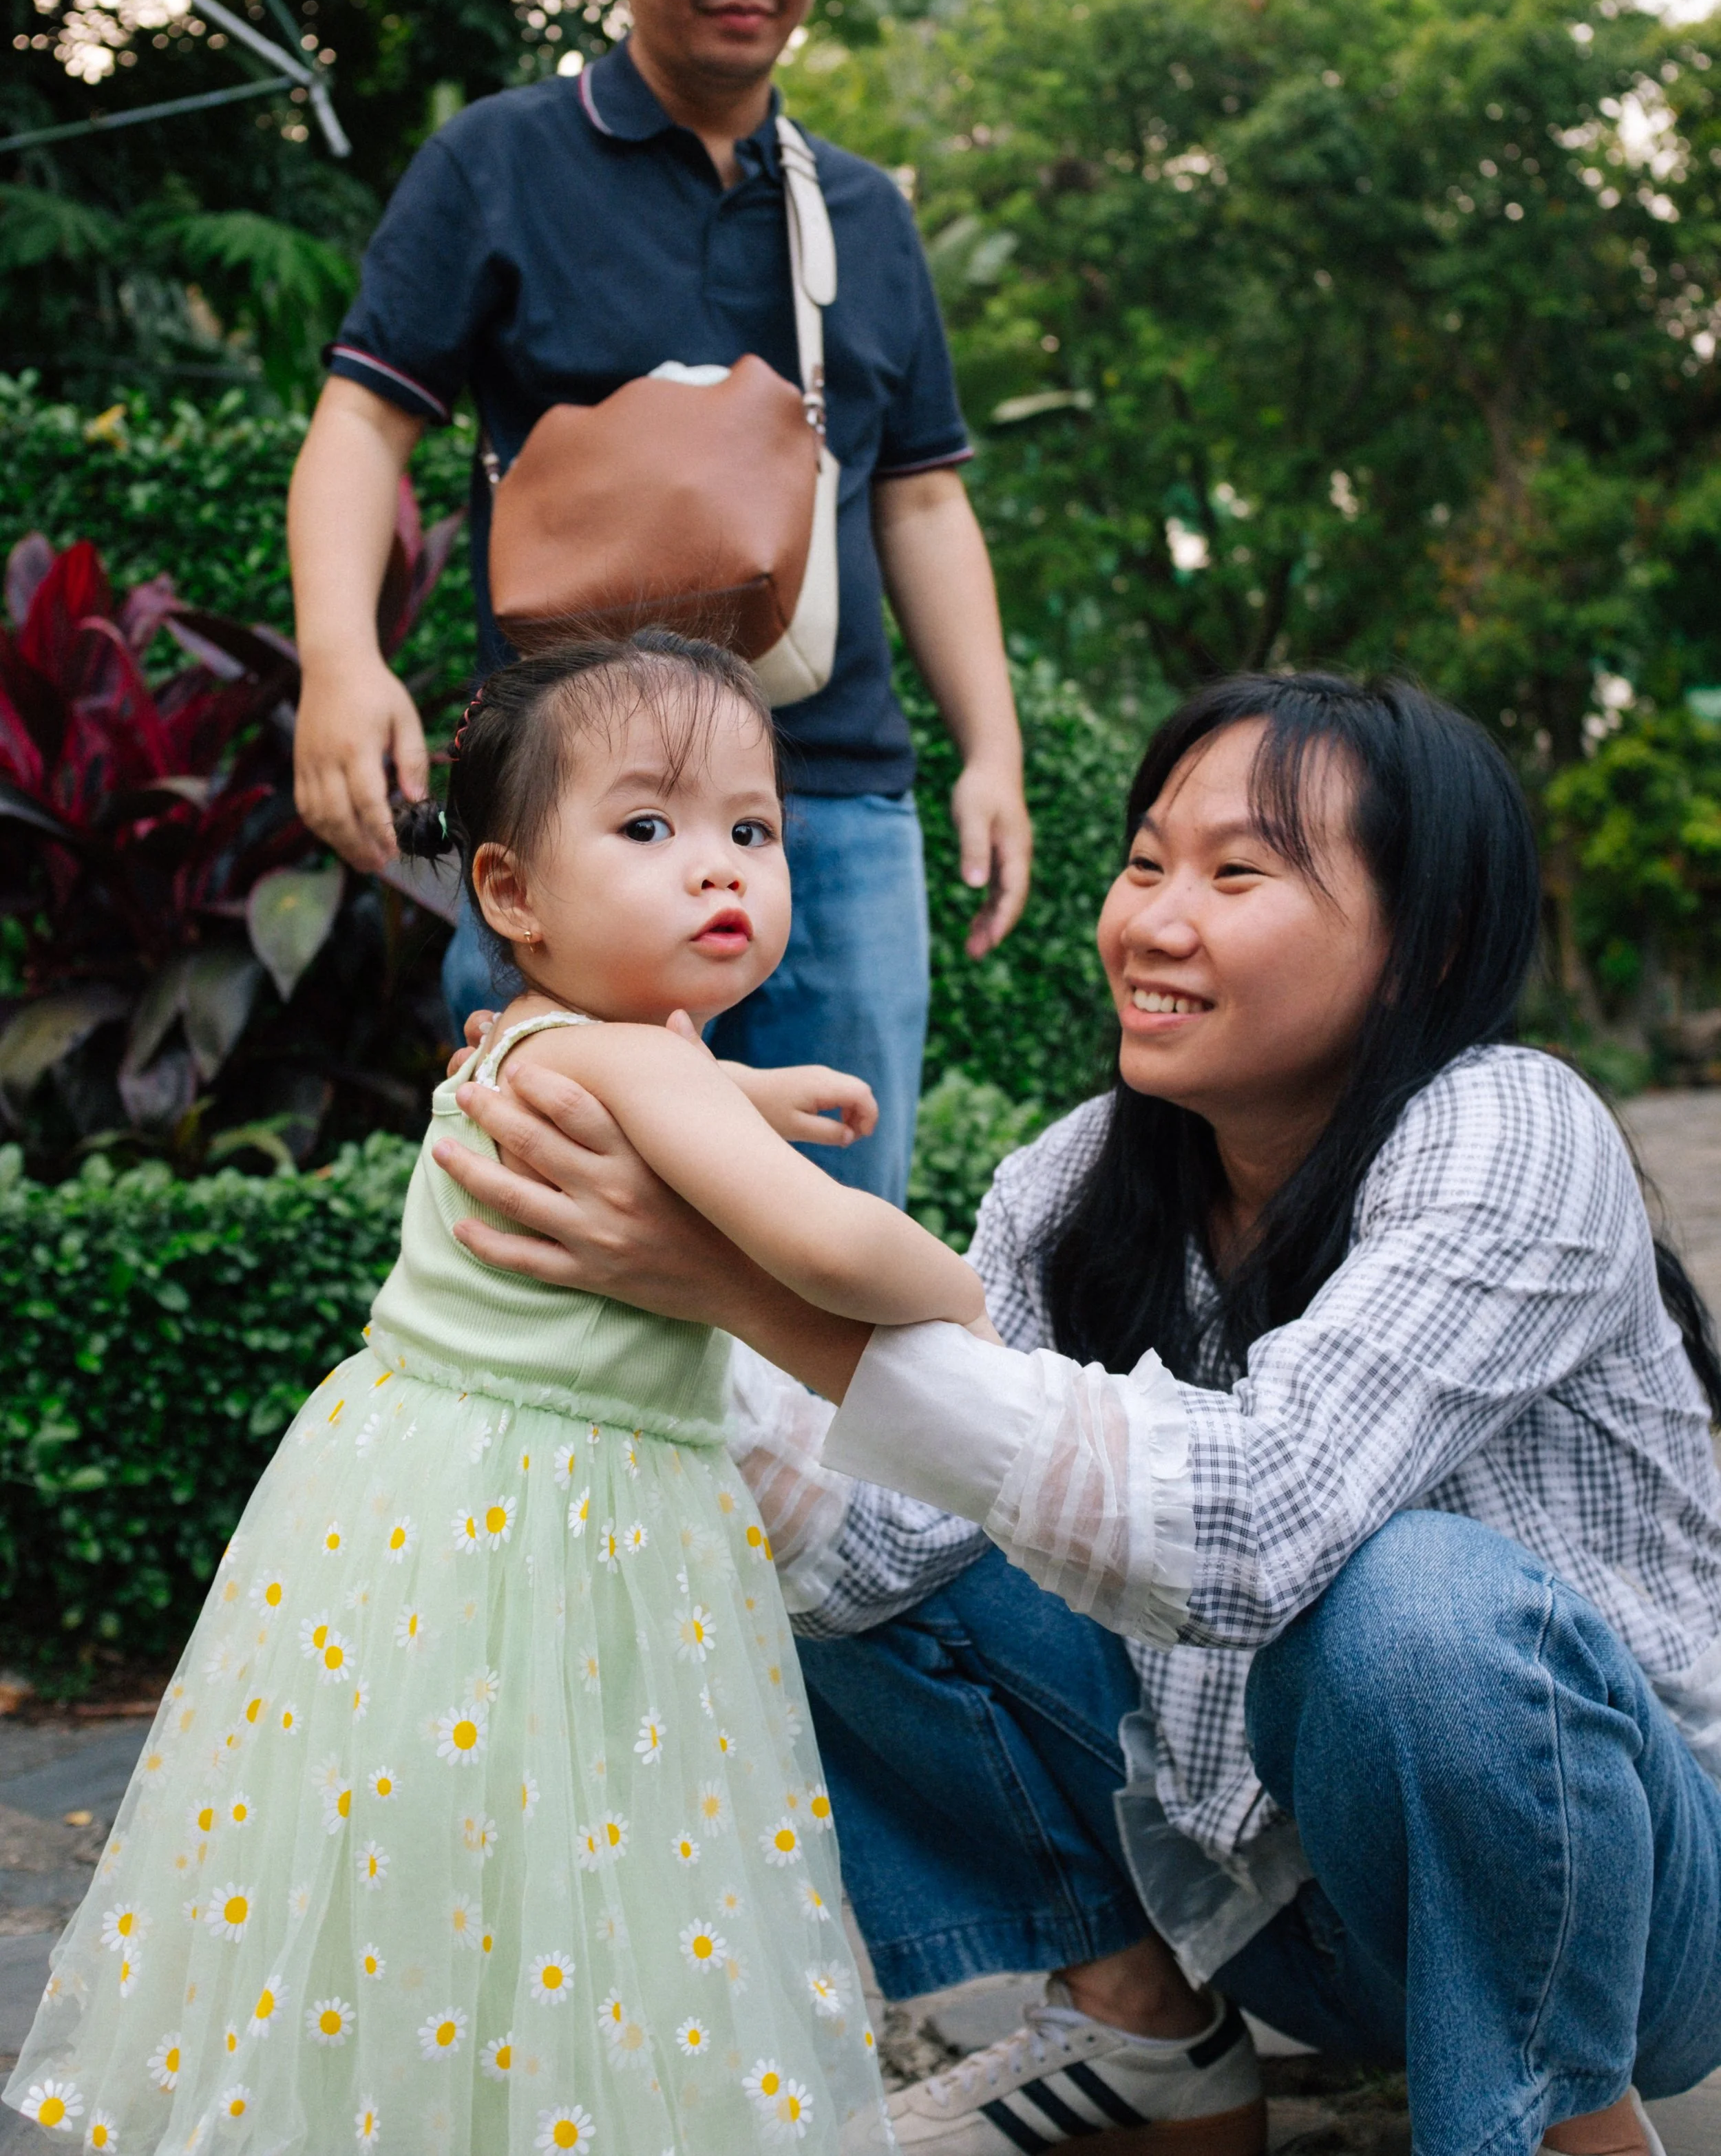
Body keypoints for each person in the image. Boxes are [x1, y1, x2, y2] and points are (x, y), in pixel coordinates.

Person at [424, 672, 1721, 2156]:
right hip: (1272, 1913)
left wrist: (748, 1293)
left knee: (1410, 1609)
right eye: (1143, 860)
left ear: (1419, 946)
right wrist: (619, 1291)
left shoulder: (1507, 1128)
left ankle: (1551, 2116)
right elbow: (877, 1560)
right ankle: (1138, 2030)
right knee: (776, 1521)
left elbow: (1257, 1527)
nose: (1152, 921)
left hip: (1620, 1926)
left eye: (1235, 873)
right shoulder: (1076, 1180)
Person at [2, 628, 1015, 2156]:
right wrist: (963, 1289)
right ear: (509, 893)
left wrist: (742, 1090)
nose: (715, 867)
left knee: (442, 1883)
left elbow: (635, 1084)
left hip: (410, 1520)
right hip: (568, 1526)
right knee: (603, 1870)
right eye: (648, 827)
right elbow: (817, 1238)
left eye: (751, 828)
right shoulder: (638, 1068)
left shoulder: (533, 1041)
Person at [287, 0, 1030, 1207]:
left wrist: (991, 748)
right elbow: (362, 424)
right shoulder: (496, 164)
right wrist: (337, 660)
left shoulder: (865, 218)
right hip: (569, 808)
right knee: (557, 1231)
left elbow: (925, 496)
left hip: (831, 803)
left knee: (828, 1244)